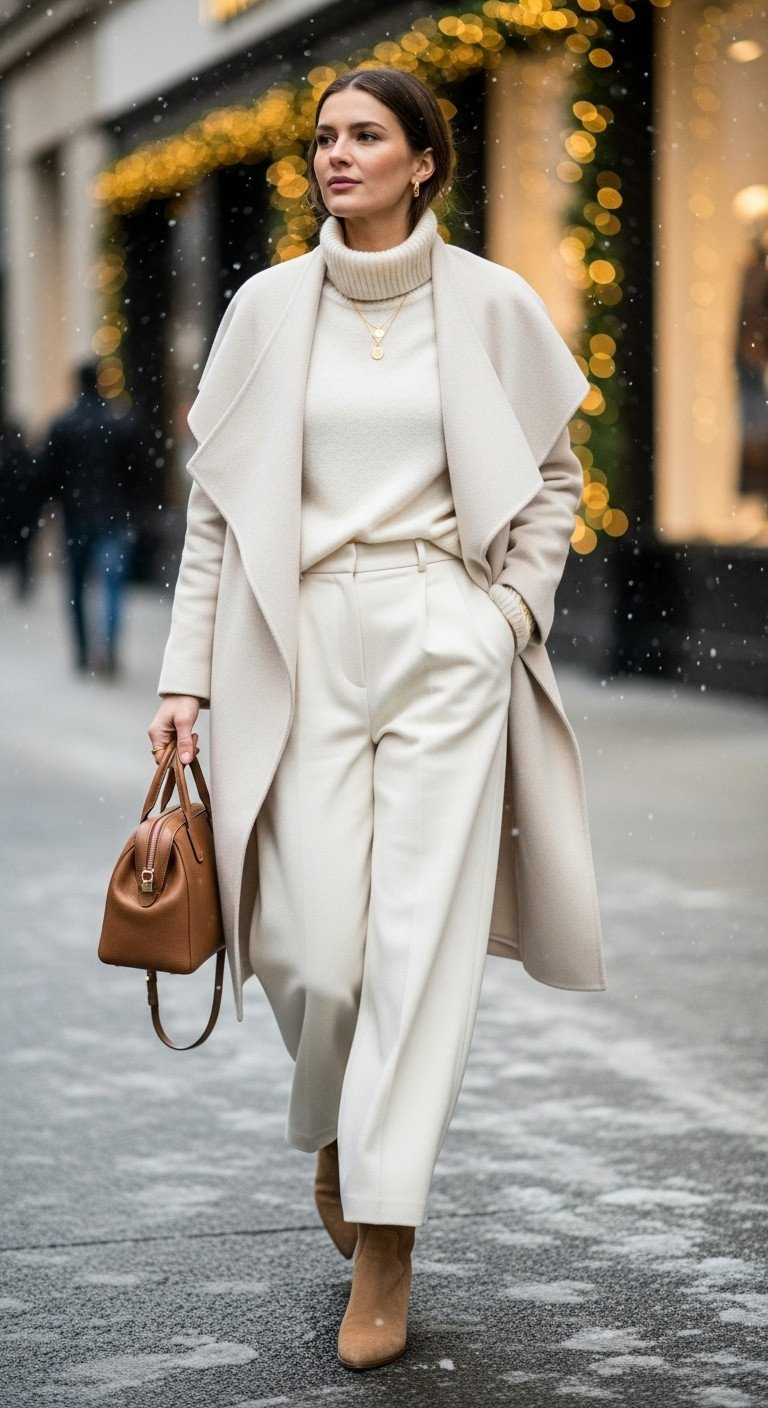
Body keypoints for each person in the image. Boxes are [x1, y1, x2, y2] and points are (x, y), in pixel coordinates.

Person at [148, 69, 606, 1371]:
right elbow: (216, 515)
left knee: (417, 943)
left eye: (365, 136)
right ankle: (348, 1126)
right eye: (324, 138)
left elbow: (554, 477)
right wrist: (183, 679)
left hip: (443, 640)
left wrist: (509, 616)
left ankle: (390, 1236)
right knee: (306, 953)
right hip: (288, 644)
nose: (336, 155)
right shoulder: (265, 309)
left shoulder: (493, 306)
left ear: (424, 161)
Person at [40, 360, 141, 676]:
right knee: (112, 583)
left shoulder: (63, 424)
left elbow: (48, 474)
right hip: (113, 514)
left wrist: (56, 501)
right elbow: (135, 472)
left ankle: (83, 651)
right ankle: (108, 646)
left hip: (76, 516)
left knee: (76, 587)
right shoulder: (116, 423)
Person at [0, 417, 42, 599]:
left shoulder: (6, 459)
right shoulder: (28, 459)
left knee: (16, 548)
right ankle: (23, 582)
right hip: (25, 513)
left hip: (10, 512)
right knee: (24, 549)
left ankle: (21, 581)